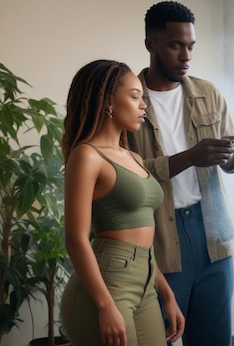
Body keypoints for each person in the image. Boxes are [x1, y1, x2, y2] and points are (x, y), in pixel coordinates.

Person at [126, 1, 234, 345]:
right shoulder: (128, 99)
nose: (185, 55)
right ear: (151, 45)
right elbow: (127, 174)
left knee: (214, 339)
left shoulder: (209, 93)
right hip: (158, 235)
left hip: (213, 235)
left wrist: (228, 157)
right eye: (176, 45)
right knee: (156, 336)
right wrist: (190, 157)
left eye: (190, 46)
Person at [60, 59, 185, 346]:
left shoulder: (134, 158)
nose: (144, 106)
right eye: (134, 96)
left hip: (146, 280)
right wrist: (105, 306)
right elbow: (76, 239)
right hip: (107, 284)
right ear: (108, 102)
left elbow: (145, 242)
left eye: (143, 97)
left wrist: (167, 295)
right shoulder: (87, 155)